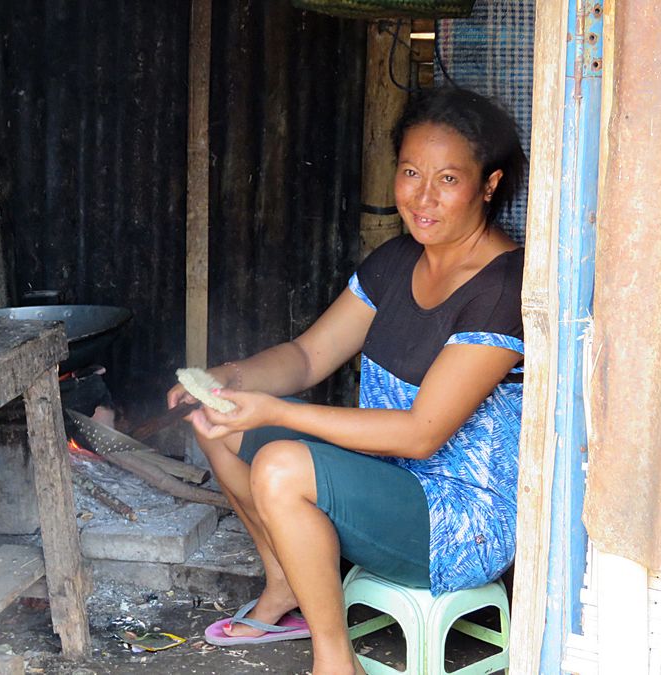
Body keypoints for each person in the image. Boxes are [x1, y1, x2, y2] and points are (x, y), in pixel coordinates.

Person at [167, 86, 526, 675]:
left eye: (448, 179)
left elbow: (419, 435)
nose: (423, 196)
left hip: (458, 521)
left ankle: (336, 663)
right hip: (388, 481)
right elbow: (307, 357)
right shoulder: (397, 262)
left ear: (488, 184)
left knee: (282, 464)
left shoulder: (500, 289)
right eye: (410, 172)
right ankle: (285, 585)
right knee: (216, 423)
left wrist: (274, 412)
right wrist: (225, 380)